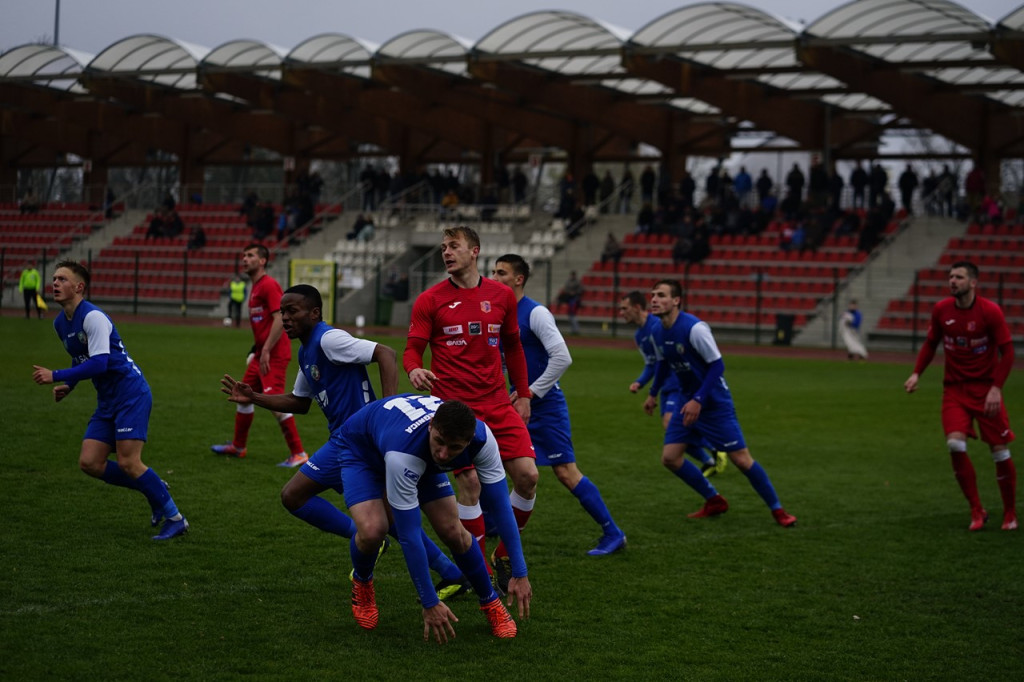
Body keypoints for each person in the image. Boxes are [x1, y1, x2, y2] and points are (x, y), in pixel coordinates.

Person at [404, 225, 538, 596]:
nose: (446, 252)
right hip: (454, 408)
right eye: (443, 247)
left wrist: (523, 394)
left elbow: (513, 345)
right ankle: (477, 575)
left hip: (497, 402)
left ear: (474, 251)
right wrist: (414, 367)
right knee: (471, 485)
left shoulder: (502, 296)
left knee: (528, 476)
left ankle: (504, 554)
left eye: (454, 246)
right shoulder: (430, 300)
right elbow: (412, 348)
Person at [330, 394, 532, 640]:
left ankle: (490, 602)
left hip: (410, 449)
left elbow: (500, 505)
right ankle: (362, 581)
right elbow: (410, 534)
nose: (445, 454)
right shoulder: (403, 454)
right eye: (440, 441)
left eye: (455, 447)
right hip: (361, 449)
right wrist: (429, 601)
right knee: (373, 530)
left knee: (454, 532)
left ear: (468, 442)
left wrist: (520, 572)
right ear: (431, 427)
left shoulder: (482, 438)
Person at [31, 261, 188, 540]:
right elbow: (81, 357)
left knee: (129, 462)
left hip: (131, 393)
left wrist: (55, 375)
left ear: (79, 287)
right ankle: (151, 486)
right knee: (90, 462)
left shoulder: (93, 317)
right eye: (54, 278)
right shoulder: (60, 323)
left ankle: (176, 519)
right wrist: (69, 383)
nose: (54, 283)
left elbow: (100, 363)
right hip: (108, 400)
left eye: (62, 279)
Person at [492, 254, 627, 555]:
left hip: (545, 404)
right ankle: (496, 523)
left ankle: (613, 533)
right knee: (495, 464)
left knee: (565, 472)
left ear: (519, 279)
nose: (494, 277)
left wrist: (532, 393)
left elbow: (562, 357)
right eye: (493, 272)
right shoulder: (499, 315)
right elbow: (502, 361)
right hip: (514, 404)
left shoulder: (536, 313)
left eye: (501, 272)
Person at [643, 280, 797, 527]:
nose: (653, 299)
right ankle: (714, 500)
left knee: (742, 460)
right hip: (686, 400)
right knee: (670, 458)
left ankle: (778, 511)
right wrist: (652, 393)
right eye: (652, 295)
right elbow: (662, 363)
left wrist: (699, 399)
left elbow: (717, 365)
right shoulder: (658, 331)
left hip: (713, 402)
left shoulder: (695, 328)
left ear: (676, 301)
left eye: (661, 295)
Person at [904, 261, 1017, 532]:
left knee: (999, 452)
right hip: (954, 390)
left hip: (986, 390)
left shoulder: (990, 311)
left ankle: (1010, 513)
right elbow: (931, 343)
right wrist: (917, 373)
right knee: (955, 445)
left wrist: (996, 388)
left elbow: (1008, 352)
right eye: (951, 276)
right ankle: (977, 510)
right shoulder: (942, 310)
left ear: (973, 283)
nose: (952, 281)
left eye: (959, 277)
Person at [211, 243, 308, 467]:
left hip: (273, 354)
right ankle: (238, 446)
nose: (245, 259)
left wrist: (265, 350)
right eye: (244, 255)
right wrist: (256, 349)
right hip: (261, 354)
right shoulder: (255, 287)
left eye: (250, 255)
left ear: (263, 260)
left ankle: (299, 453)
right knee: (243, 395)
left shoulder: (268, 285)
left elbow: (278, 318)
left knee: (275, 403)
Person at [619, 291, 725, 478]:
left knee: (672, 424)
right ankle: (709, 460)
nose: (621, 312)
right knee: (673, 430)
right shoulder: (639, 335)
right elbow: (653, 363)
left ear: (637, 307)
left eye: (624, 308)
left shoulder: (657, 325)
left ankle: (715, 447)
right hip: (664, 388)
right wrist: (640, 382)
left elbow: (669, 360)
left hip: (677, 384)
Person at [559, 271, 584, 335]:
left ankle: (576, 330)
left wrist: (574, 292)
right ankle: (574, 330)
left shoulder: (577, 282)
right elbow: (565, 289)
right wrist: (569, 292)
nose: (572, 276)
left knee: (573, 315)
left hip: (575, 299)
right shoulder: (568, 282)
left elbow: (580, 290)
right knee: (570, 315)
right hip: (569, 299)